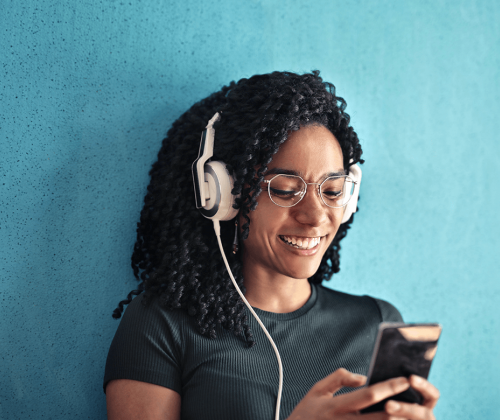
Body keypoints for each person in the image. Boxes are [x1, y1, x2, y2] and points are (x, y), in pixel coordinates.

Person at [104, 71, 440, 420]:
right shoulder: (162, 324)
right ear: (221, 195)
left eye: (333, 191)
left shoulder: (377, 323)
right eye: (283, 189)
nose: (314, 216)